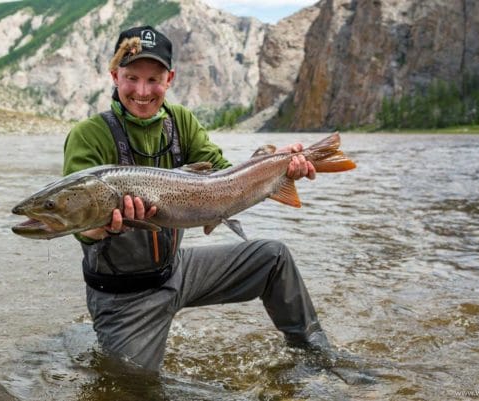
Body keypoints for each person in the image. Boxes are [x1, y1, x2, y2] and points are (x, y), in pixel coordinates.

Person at [63, 25, 333, 372]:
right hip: (124, 296)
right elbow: (78, 223)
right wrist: (103, 229)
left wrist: (275, 164)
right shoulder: (89, 135)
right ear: (115, 75)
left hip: (178, 269)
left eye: (154, 80)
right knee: (132, 386)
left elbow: (227, 176)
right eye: (132, 78)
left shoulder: (180, 122)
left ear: (170, 79)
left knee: (273, 257)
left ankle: (317, 357)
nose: (142, 92)